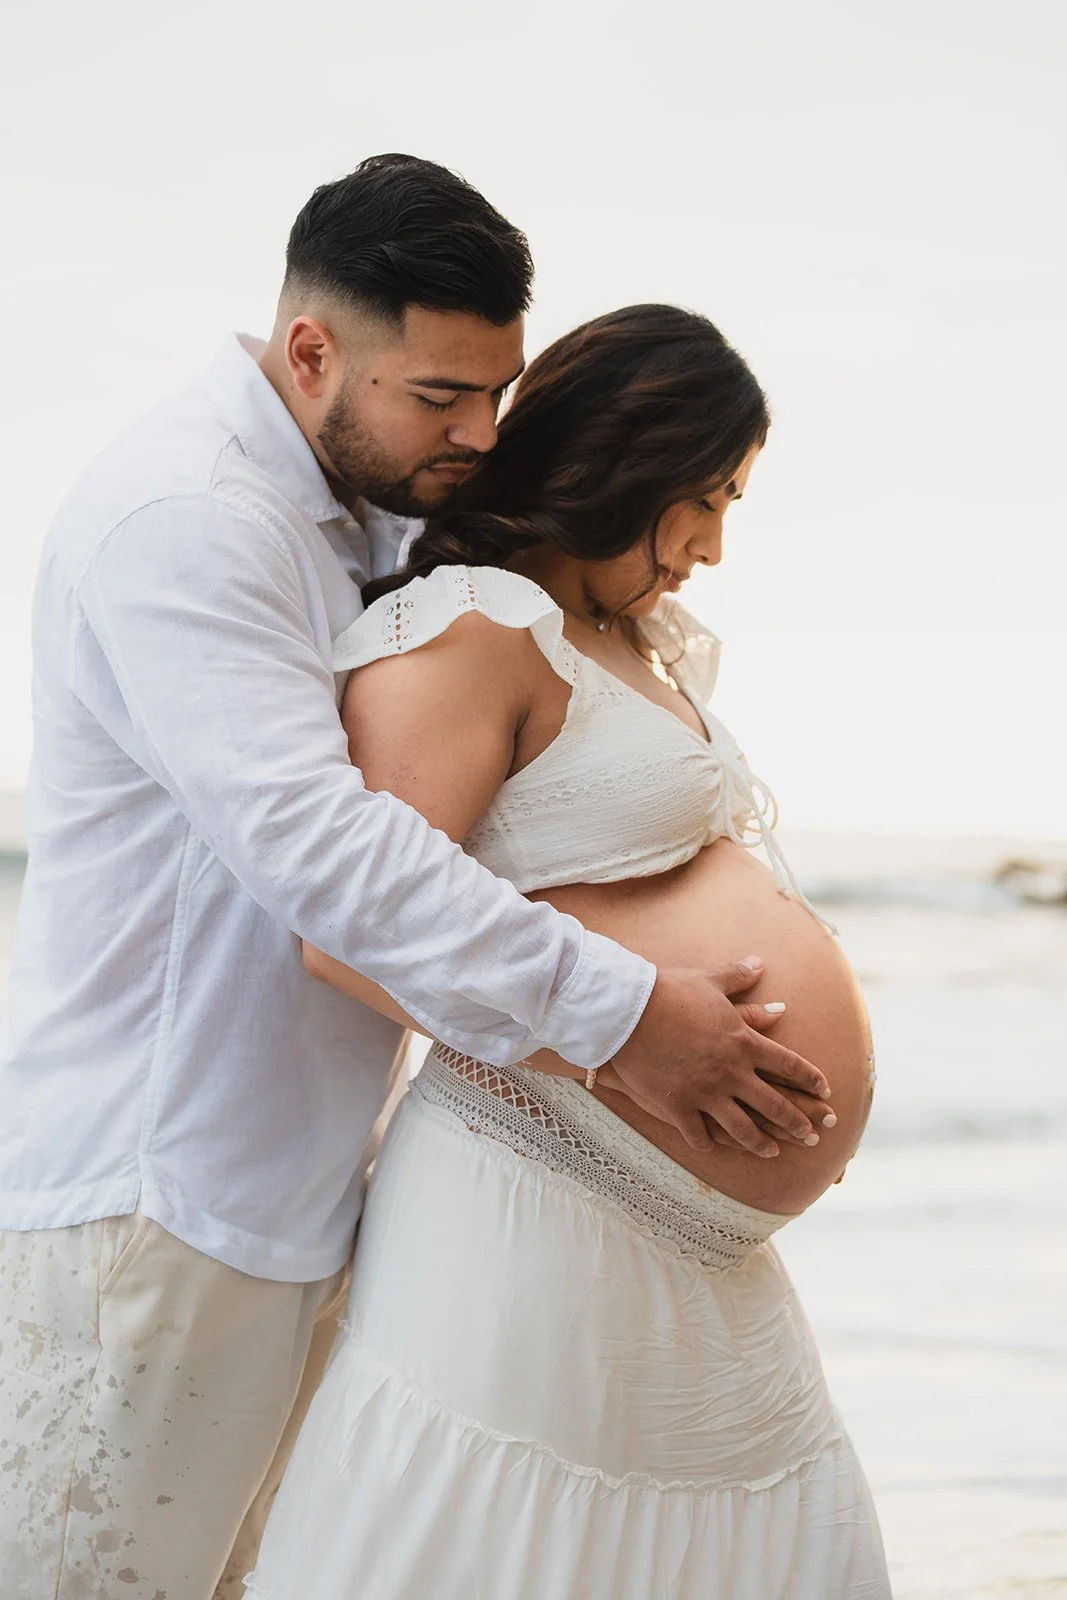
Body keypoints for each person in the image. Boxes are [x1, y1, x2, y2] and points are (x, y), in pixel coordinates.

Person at [0, 162, 829, 1600]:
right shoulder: (186, 522)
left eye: (496, 393)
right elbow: (321, 852)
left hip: (301, 1186)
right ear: (310, 349)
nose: (476, 434)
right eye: (438, 396)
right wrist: (627, 1014)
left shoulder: (364, 514)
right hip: (162, 1193)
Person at [245, 305, 891, 1599]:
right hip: (530, 1195)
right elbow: (346, 934)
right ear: (620, 463)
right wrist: (631, 1046)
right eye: (700, 500)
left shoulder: (625, 639)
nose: (710, 545)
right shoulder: (471, 627)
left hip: (694, 1251)